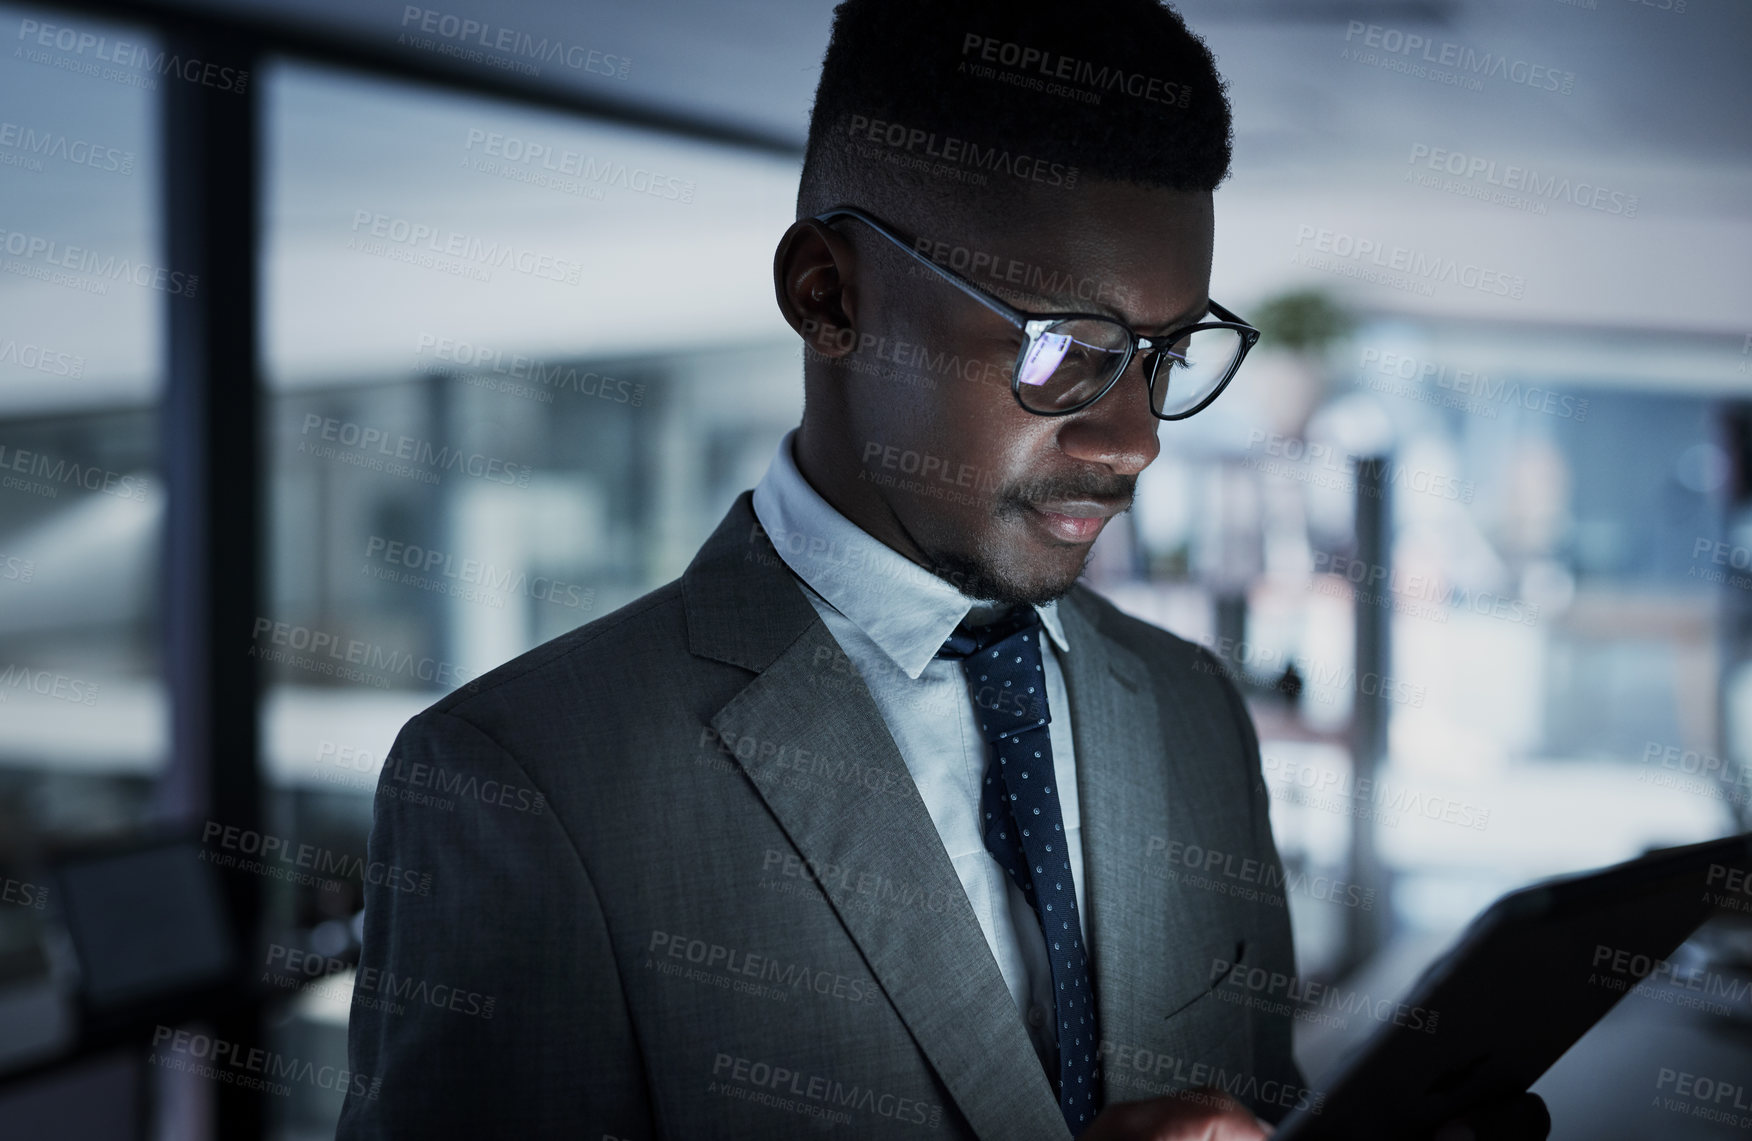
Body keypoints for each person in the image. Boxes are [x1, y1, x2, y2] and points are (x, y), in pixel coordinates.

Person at [338, 1, 1549, 1138]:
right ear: (829, 298)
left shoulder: (1192, 709)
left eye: (1166, 354)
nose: (1135, 438)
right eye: (1066, 348)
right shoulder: (524, 784)